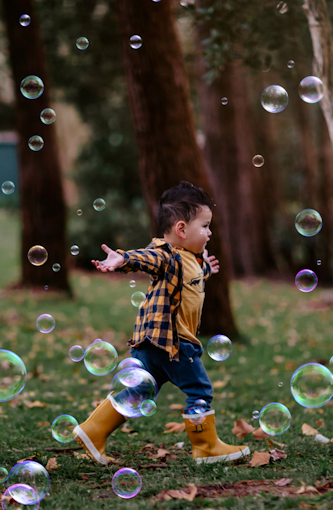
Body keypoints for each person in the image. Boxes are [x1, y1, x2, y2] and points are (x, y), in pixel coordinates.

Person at [73, 181, 249, 465]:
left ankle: (92, 430)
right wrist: (123, 259)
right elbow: (148, 259)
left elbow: (192, 276)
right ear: (181, 230)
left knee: (140, 390)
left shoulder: (191, 259)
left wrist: (207, 269)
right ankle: (205, 447)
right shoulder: (167, 255)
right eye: (204, 226)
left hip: (151, 342)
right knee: (199, 390)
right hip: (173, 342)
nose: (210, 232)